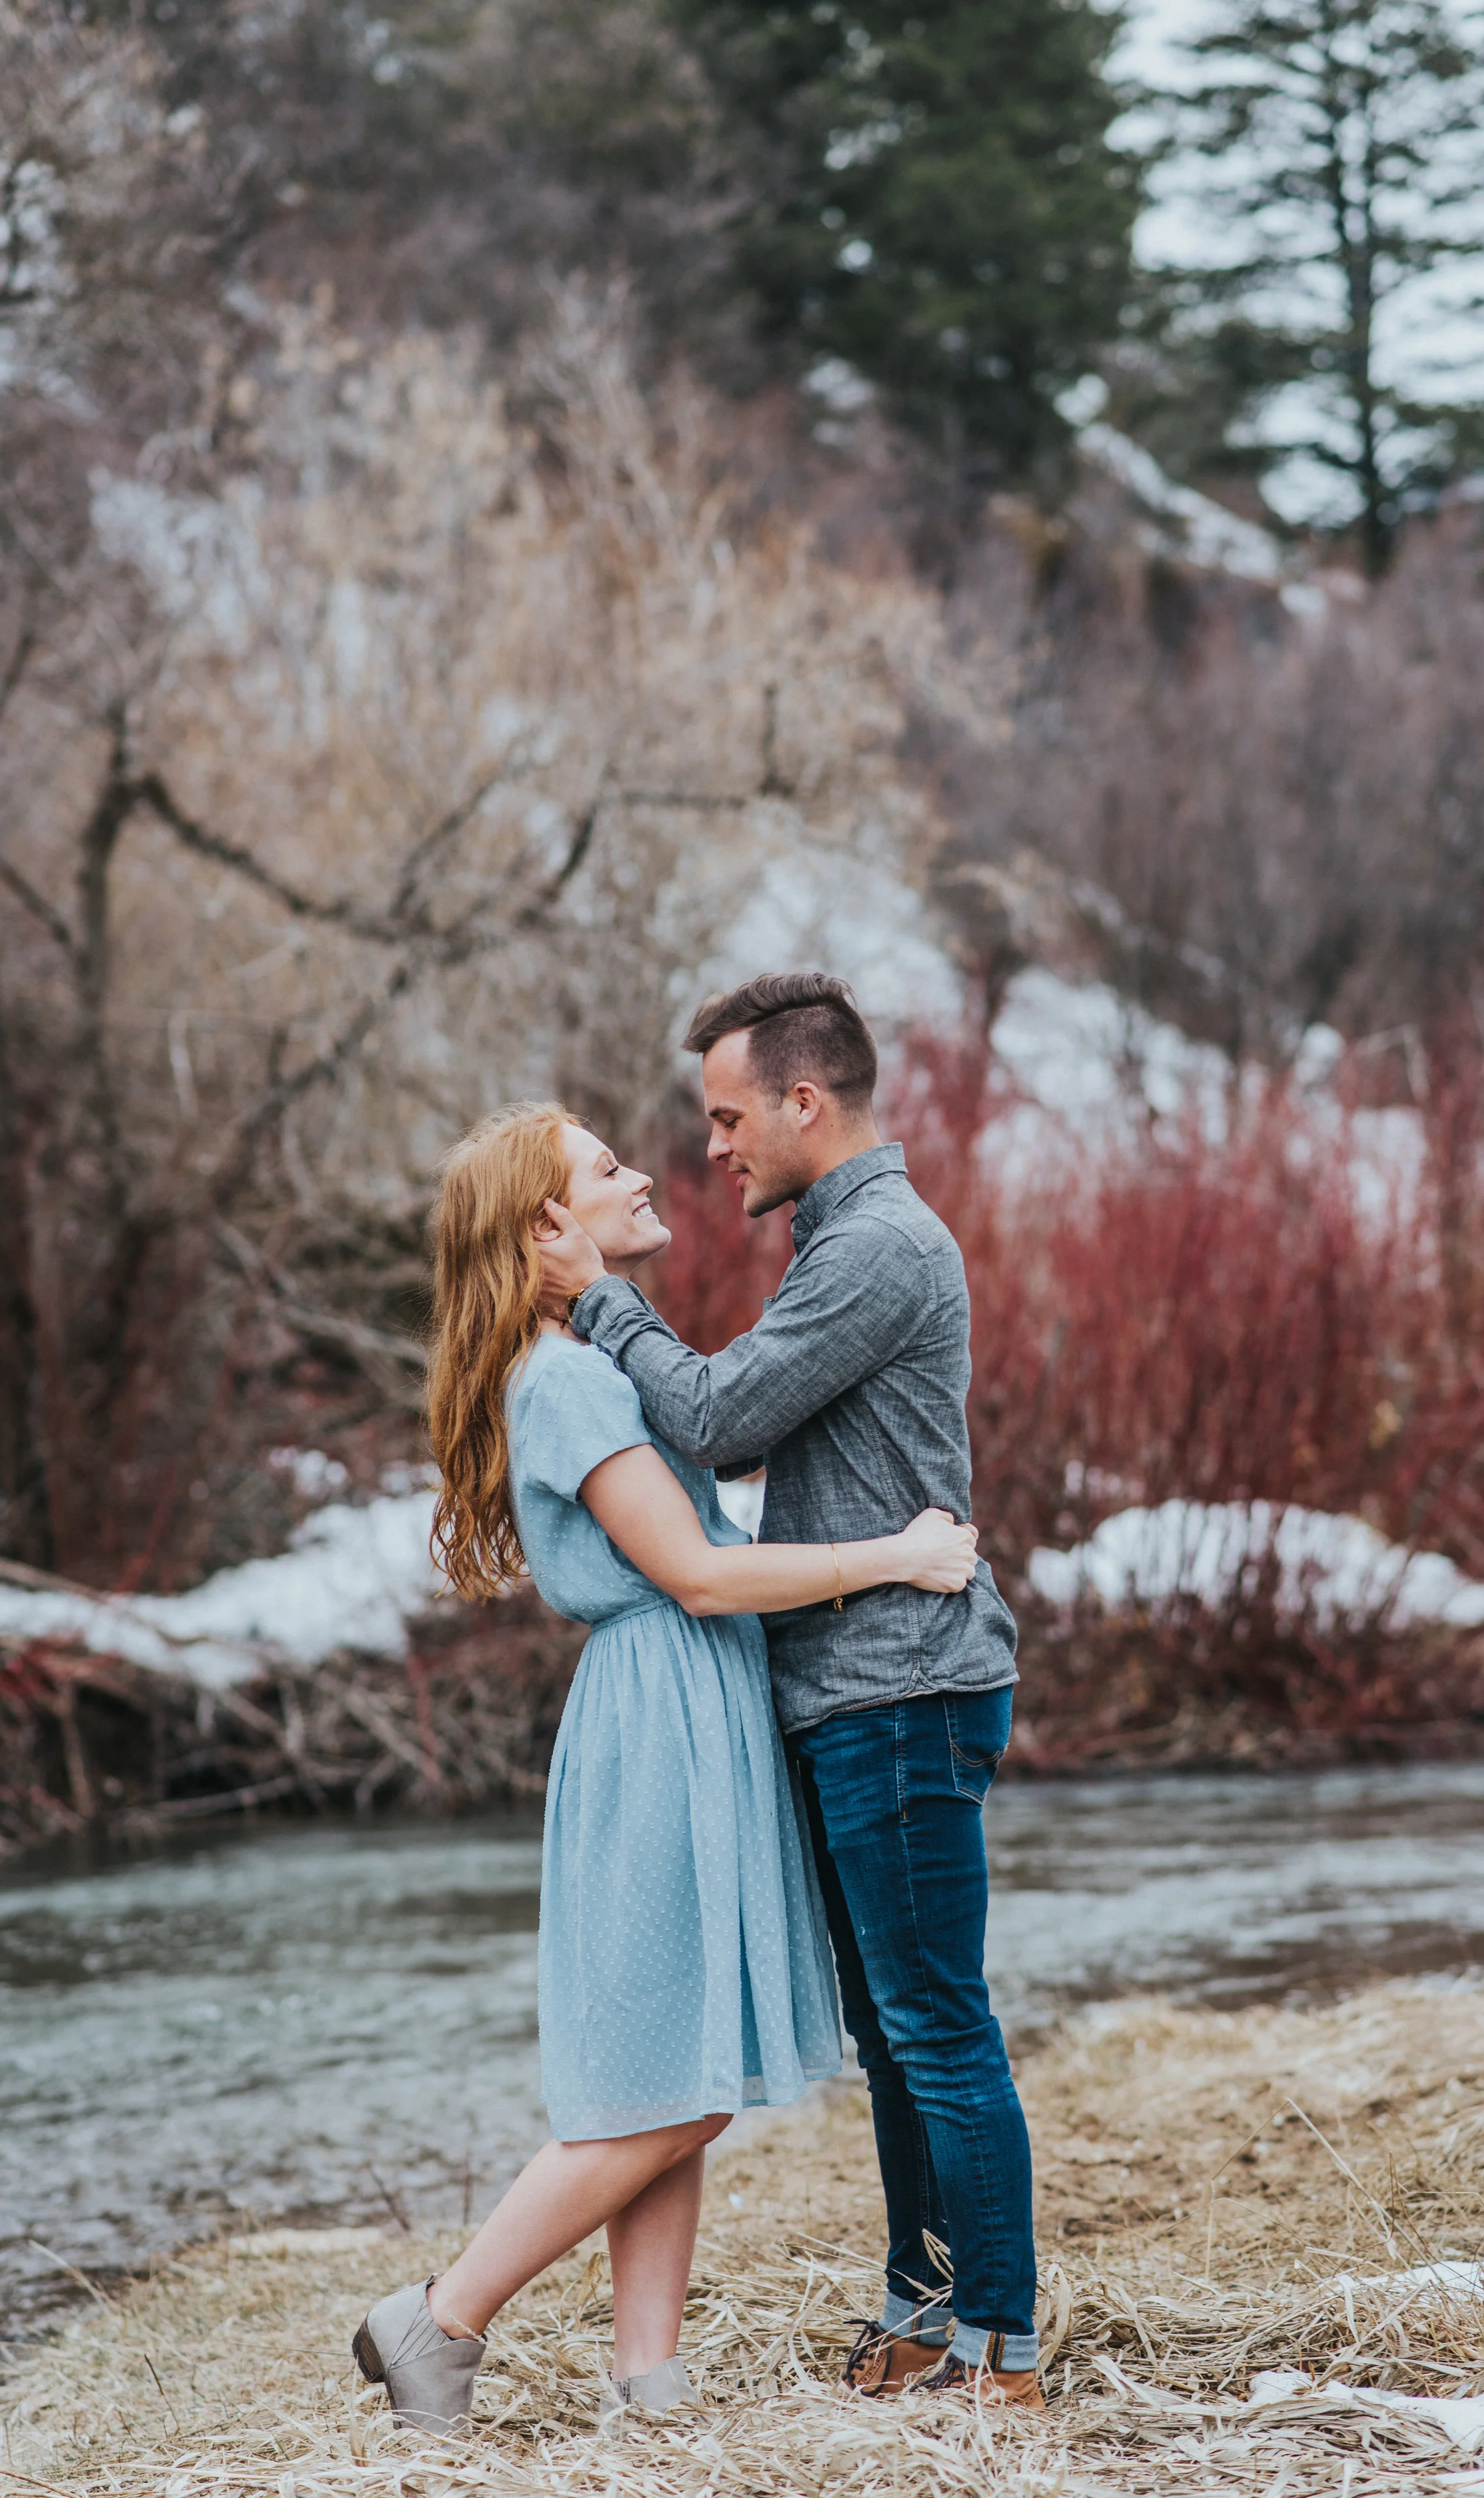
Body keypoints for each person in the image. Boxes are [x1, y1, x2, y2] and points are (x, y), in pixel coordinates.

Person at [352, 1100, 978, 2440]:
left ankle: (649, 2384)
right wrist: (895, 1554)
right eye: (605, 1168)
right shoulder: (570, 1377)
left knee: (665, 2069)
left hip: (668, 1708)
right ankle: (442, 2316)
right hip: (664, 1713)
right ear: (546, 1227)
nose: (645, 1174)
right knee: (670, 2085)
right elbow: (695, 1574)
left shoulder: (564, 1361)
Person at [537, 971, 1044, 2412]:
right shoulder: (838, 1240)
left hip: (898, 1684)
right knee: (896, 2034)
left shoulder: (876, 1245)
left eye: (727, 1115)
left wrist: (601, 1302)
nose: (713, 1149)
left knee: (935, 2027)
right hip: (859, 1686)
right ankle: (923, 2314)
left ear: (804, 1101)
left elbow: (716, 1417)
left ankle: (997, 2351)